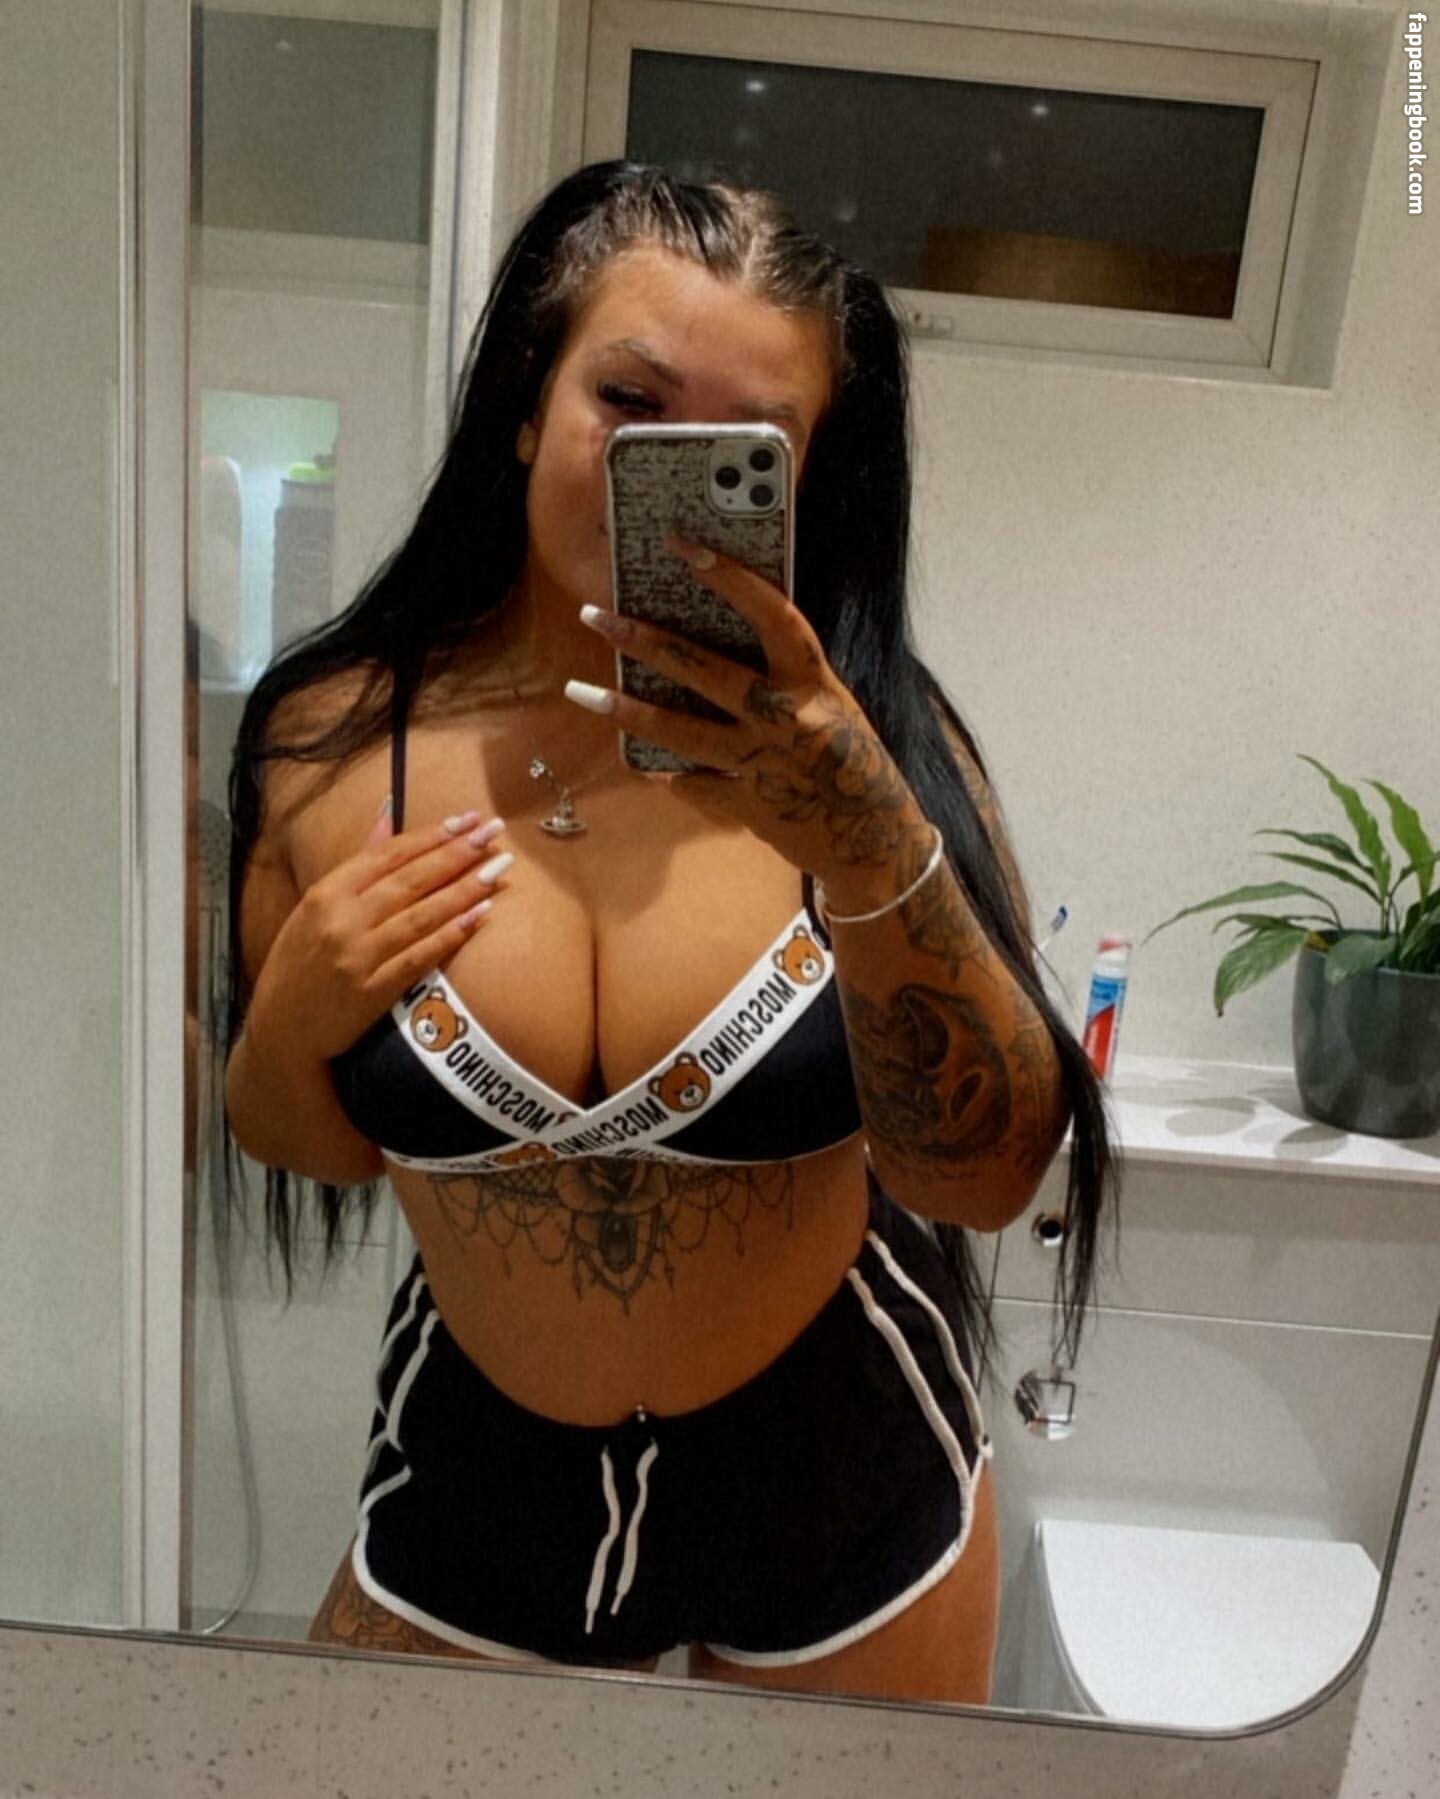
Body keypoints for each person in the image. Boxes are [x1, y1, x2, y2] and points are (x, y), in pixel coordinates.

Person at [223, 160, 1120, 1705]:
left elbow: (983, 1181)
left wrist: (866, 836)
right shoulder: (329, 741)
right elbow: (309, 1145)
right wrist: (298, 1011)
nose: (665, 469)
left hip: (841, 1462)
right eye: (628, 402)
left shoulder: (883, 754)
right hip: (481, 1471)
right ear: (527, 401)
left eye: (741, 448)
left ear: (806, 480)